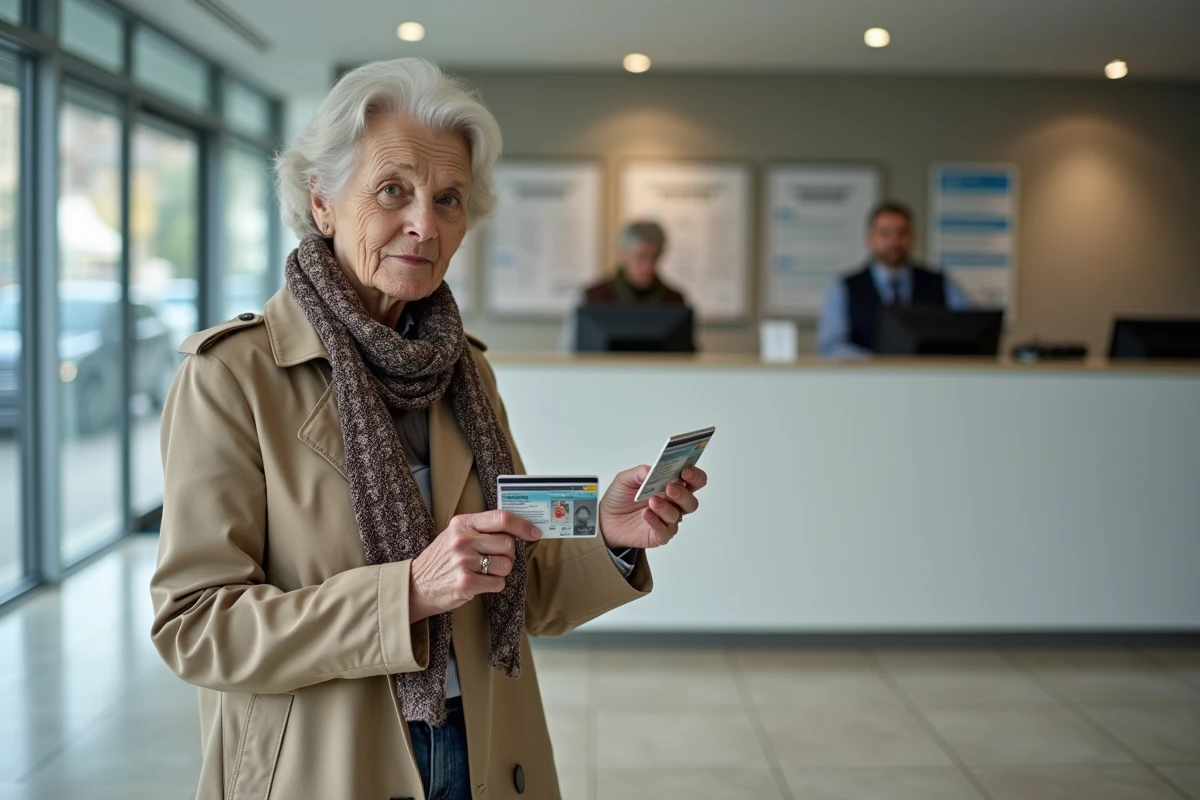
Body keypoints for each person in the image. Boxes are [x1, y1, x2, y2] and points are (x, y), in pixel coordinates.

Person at [149, 58, 709, 800]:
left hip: (480, 745)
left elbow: (527, 573)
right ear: (322, 202)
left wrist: (607, 534)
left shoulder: (466, 368)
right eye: (393, 191)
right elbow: (195, 626)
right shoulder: (232, 375)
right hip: (328, 760)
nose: (425, 223)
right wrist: (405, 593)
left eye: (449, 199)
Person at [817, 200, 972, 357]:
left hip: (929, 377)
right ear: (870, 238)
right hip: (867, 378)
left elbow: (969, 333)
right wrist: (877, 363)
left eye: (902, 233)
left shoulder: (940, 283)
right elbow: (830, 347)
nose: (894, 241)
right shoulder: (844, 287)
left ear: (912, 237)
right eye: (885, 233)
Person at [560, 221, 688, 351]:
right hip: (604, 371)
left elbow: (689, 353)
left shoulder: (674, 300)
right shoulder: (593, 297)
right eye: (641, 257)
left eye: (654, 258)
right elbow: (569, 351)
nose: (648, 267)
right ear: (623, 255)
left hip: (660, 370)